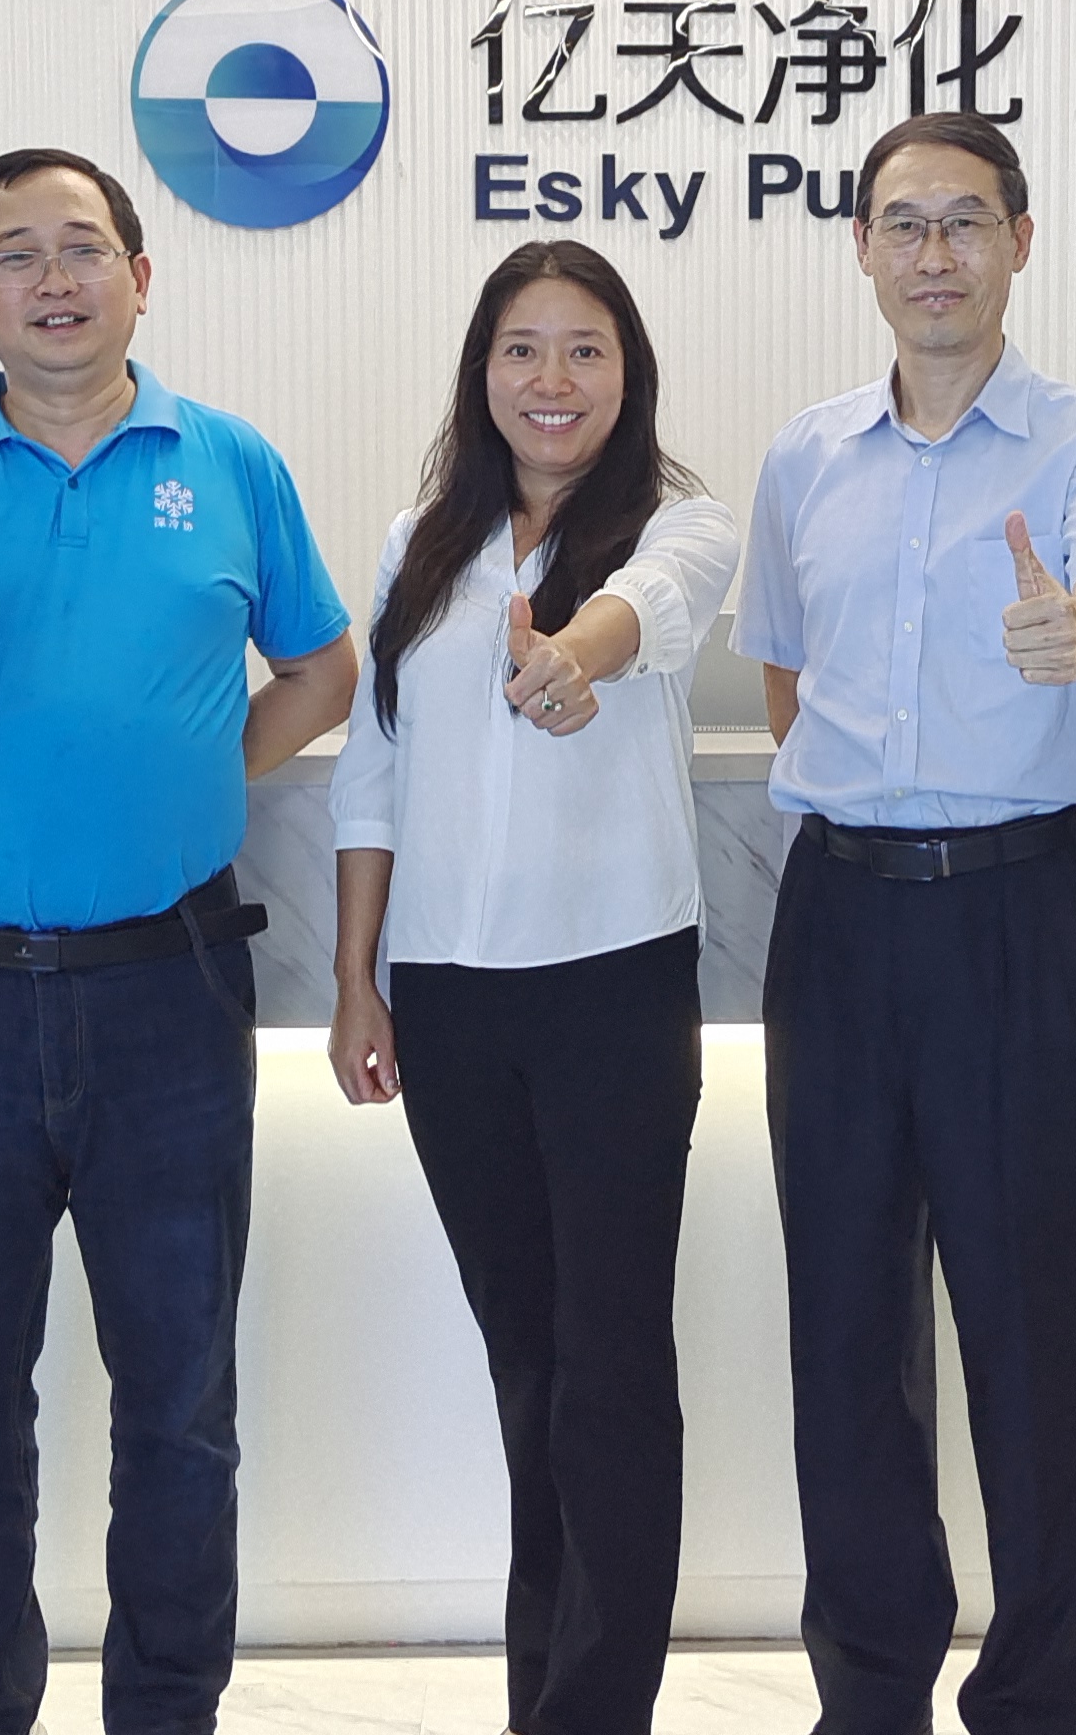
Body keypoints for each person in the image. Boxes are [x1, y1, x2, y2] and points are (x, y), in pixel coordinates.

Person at [0, 146, 356, 1735]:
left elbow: (322, 670)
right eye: (17, 254)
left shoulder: (230, 461)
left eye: (83, 247)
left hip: (167, 996)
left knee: (179, 1410)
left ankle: (165, 1713)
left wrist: (202, 766)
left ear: (140, 275)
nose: (54, 279)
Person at [731, 110, 1076, 1735]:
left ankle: (1042, 1701)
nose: (936, 254)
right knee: (845, 1326)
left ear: (1020, 243)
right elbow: (787, 675)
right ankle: (870, 1693)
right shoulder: (805, 456)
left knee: (1033, 1324)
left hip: (1021, 920)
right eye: (905, 223)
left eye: (967, 222)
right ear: (861, 247)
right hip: (840, 922)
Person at [322, 240, 740, 1735]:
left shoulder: (683, 524)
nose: (551, 380)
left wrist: (573, 654)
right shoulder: (419, 545)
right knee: (526, 1360)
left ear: (628, 374)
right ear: (481, 371)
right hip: (448, 997)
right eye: (521, 348)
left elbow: (649, 616)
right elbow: (374, 769)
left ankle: (596, 1706)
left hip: (614, 987)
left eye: (584, 350)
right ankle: (543, 1693)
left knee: (611, 1364)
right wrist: (358, 977)